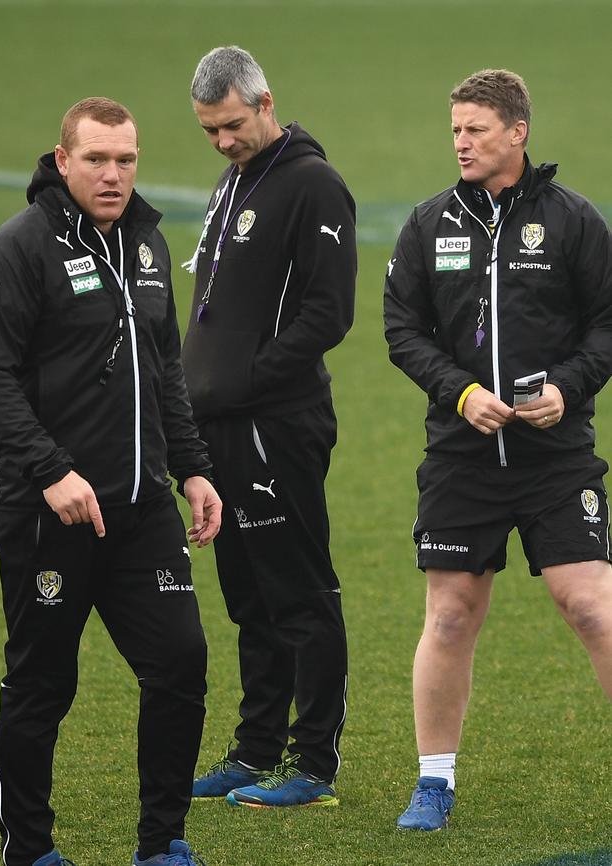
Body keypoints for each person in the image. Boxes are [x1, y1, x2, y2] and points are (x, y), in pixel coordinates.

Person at [0, 97, 221, 866]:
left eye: (126, 160)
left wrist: (195, 468)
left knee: (180, 663)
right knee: (42, 684)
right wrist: (52, 472)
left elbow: (164, 370)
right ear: (63, 158)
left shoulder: (145, 244)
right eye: (97, 159)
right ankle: (29, 851)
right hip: (51, 514)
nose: (113, 175)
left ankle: (162, 844)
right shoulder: (19, 248)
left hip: (141, 511)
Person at [384, 68, 612, 830]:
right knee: (450, 616)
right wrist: (458, 392)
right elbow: (402, 331)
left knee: (592, 609)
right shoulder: (427, 225)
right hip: (461, 456)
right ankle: (434, 784)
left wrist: (567, 391)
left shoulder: (574, 221)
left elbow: (606, 327)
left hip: (557, 457)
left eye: (476, 129)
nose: (462, 142)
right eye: (455, 130)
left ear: (517, 132)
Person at [181, 46, 356, 808]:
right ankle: (255, 751)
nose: (221, 141)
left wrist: (245, 384)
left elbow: (328, 313)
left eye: (230, 125)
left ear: (263, 102)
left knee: (299, 593)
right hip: (220, 428)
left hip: (274, 426)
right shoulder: (232, 183)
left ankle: (313, 764)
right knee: (249, 597)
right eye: (209, 131)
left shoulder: (313, 184)